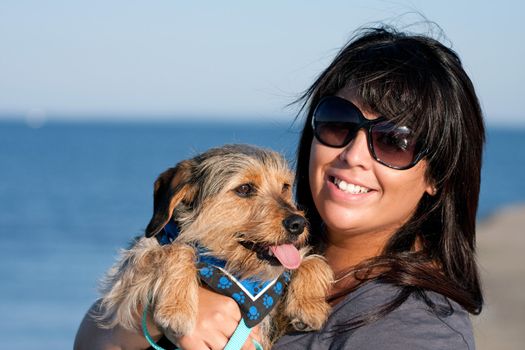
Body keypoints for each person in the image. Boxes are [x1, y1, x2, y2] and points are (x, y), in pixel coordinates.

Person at [75, 25, 484, 349]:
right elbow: (92, 339)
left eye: (395, 141)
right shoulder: (268, 257)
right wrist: (155, 312)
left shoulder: (414, 330)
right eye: (339, 122)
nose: (354, 155)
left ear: (438, 177)